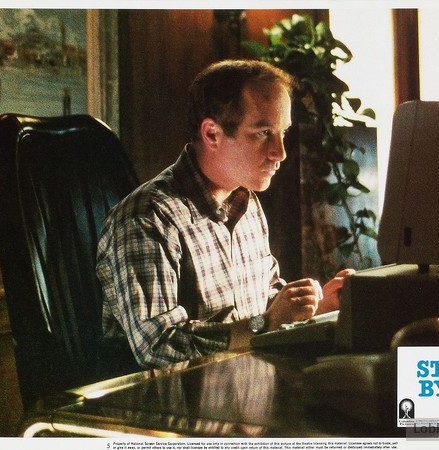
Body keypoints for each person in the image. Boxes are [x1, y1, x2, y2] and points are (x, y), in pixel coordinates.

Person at [96, 59, 354, 368]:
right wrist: (265, 323)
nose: (281, 152)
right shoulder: (148, 218)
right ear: (212, 134)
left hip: (242, 385)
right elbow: (158, 344)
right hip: (169, 395)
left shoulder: (246, 203)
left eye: (282, 132)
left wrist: (316, 308)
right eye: (264, 132)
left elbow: (265, 302)